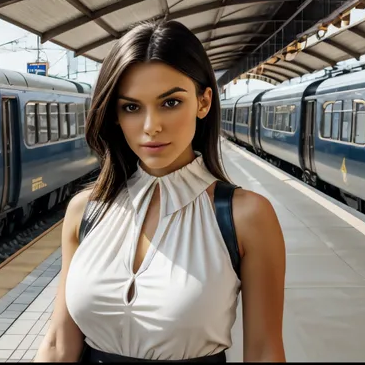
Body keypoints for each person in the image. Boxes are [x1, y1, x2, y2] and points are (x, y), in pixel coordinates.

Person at [34, 19, 286, 363]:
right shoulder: (85, 212)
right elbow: (58, 345)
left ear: (203, 102)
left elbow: (264, 352)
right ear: (115, 116)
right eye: (131, 107)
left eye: (170, 103)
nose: (151, 126)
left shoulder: (246, 216)